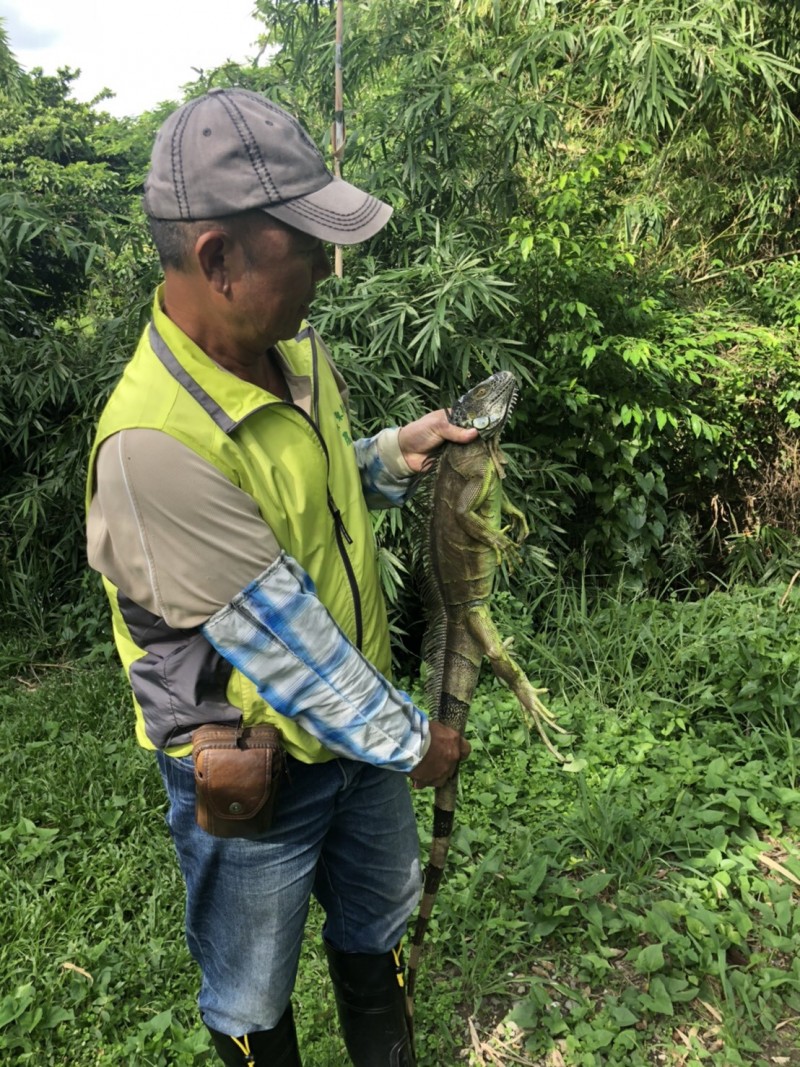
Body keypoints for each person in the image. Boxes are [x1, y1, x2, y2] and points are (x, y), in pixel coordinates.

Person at [85, 87, 473, 1067]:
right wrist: (407, 741)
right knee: (252, 990)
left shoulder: (291, 356)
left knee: (372, 927)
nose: (326, 271)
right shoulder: (152, 446)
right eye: (304, 246)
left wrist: (387, 455)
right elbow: (286, 650)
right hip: (257, 764)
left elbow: (303, 495)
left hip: (352, 739)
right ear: (218, 259)